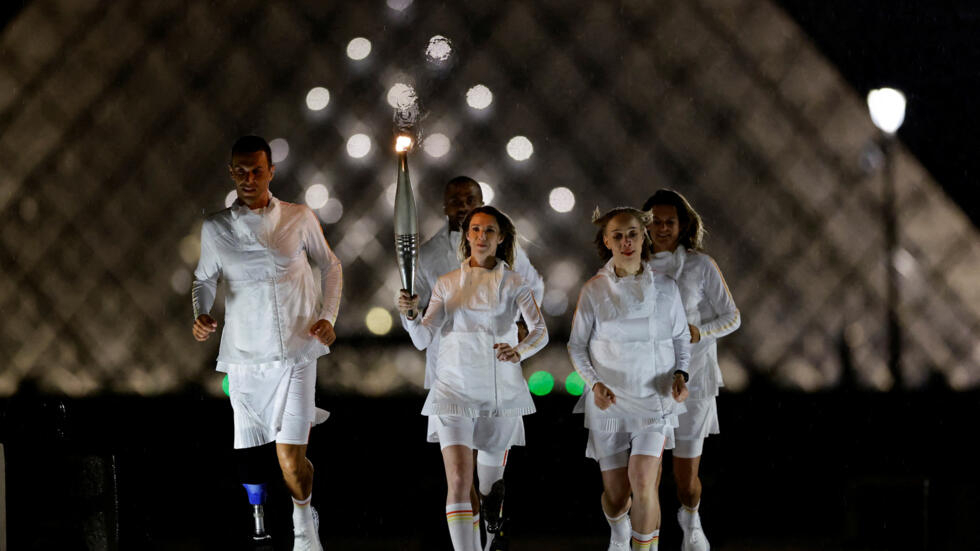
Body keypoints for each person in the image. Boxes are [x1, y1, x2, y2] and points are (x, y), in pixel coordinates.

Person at [191, 135, 341, 551]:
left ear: (271, 171)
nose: (249, 178)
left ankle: (303, 526)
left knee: (290, 460)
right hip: (243, 359)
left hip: (297, 350)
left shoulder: (299, 216)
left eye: (257, 170)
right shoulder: (216, 227)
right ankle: (264, 527)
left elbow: (331, 265)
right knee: (251, 462)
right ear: (231, 173)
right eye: (240, 170)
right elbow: (204, 278)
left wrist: (328, 317)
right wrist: (200, 313)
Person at [403, 176, 544, 549]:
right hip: (450, 377)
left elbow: (536, 307)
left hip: (498, 377)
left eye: (472, 199)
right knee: (458, 480)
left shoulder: (513, 274)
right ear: (447, 209)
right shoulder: (433, 260)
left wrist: (519, 339)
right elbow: (421, 330)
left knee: (485, 480)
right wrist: (410, 314)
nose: (464, 206)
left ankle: (490, 515)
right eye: (457, 200)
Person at [568, 207, 691, 551]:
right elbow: (576, 346)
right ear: (606, 240)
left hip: (655, 399)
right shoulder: (593, 290)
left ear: (644, 236)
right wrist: (594, 384)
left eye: (633, 234)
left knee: (644, 481)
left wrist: (681, 373)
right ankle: (618, 530)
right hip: (610, 404)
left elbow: (681, 338)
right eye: (618, 235)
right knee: (618, 497)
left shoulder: (667, 288)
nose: (626, 242)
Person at [643, 190, 740, 551]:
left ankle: (691, 518)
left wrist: (703, 331)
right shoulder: (633, 264)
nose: (662, 228)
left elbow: (732, 316)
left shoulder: (702, 266)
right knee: (646, 476)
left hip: (695, 379)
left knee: (685, 481)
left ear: (683, 225)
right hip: (647, 381)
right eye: (655, 221)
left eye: (670, 221)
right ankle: (645, 540)